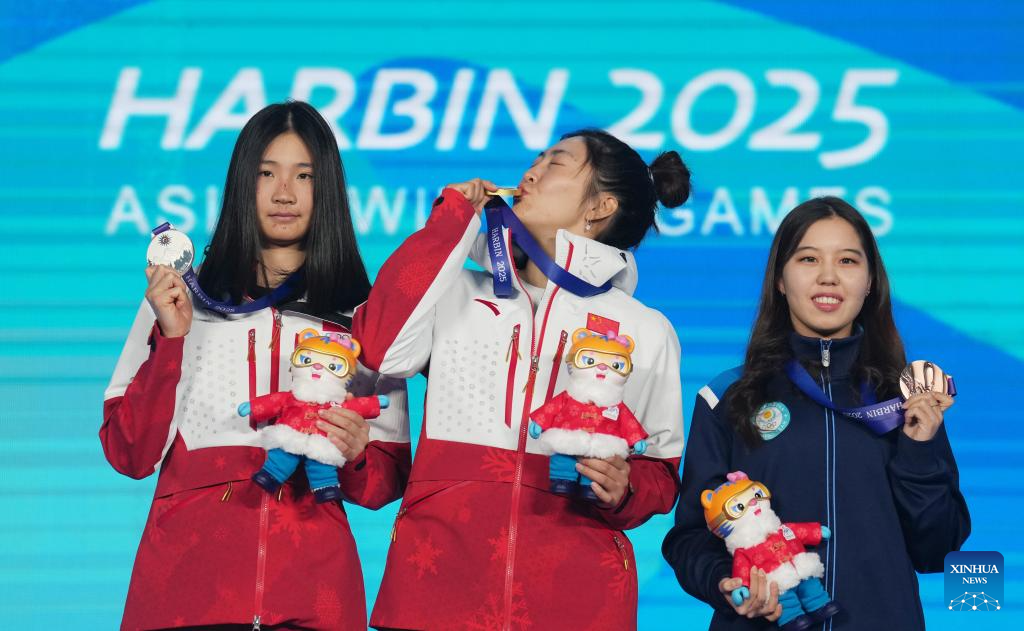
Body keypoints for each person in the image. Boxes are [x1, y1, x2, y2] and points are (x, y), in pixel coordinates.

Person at [354, 129, 690, 630]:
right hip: (435, 591)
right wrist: (450, 223)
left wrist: (625, 488)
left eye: (556, 163)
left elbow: (661, 473)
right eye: (536, 159)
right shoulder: (454, 293)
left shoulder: (647, 330)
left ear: (600, 207)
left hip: (574, 603)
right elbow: (380, 348)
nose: (530, 172)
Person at [101, 101, 411, 630]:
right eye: (267, 173)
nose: (284, 193)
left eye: (304, 176)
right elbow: (129, 452)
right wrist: (172, 341)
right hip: (186, 594)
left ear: (328, 190)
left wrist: (356, 453)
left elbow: (386, 481)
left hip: (313, 596)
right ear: (243, 183)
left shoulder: (361, 316)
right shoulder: (179, 299)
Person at [662, 197, 970, 630]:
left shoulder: (904, 401)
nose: (828, 276)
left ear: (870, 282)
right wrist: (725, 582)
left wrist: (920, 451)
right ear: (780, 279)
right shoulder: (728, 397)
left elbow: (937, 550)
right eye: (808, 259)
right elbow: (690, 537)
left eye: (847, 260)